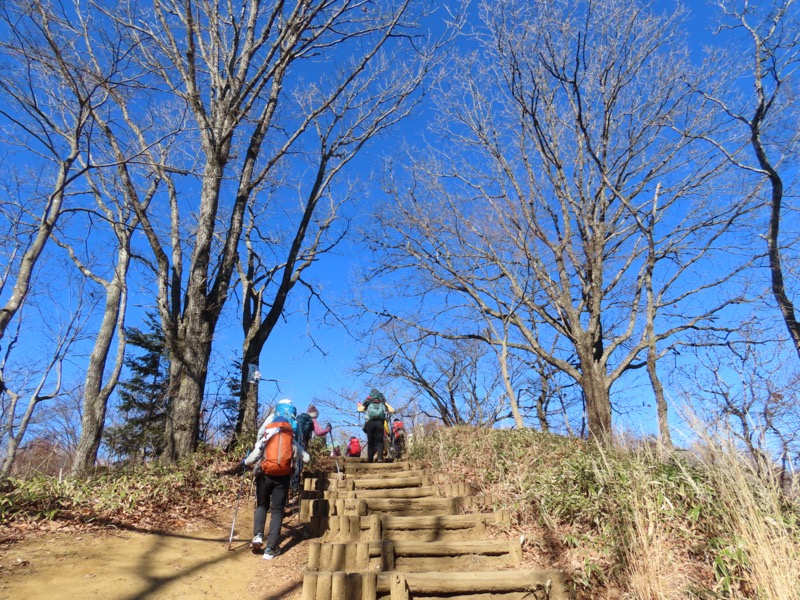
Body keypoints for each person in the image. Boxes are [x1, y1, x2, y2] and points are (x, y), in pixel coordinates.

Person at [243, 399, 307, 560]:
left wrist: (245, 461)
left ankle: (258, 535)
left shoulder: (266, 437)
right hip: (283, 478)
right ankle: (270, 549)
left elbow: (251, 460)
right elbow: (306, 458)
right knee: (277, 511)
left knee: (262, 505)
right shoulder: (290, 439)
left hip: (264, 476)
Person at [293, 404, 332, 489]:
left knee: (293, 463)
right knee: (298, 464)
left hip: (292, 442)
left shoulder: (298, 418)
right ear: (315, 415)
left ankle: (291, 485)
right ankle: (295, 486)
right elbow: (319, 432)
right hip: (301, 444)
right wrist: (328, 429)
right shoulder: (311, 420)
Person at [357, 388, 394, 463]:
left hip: (370, 423)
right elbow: (392, 410)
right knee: (379, 441)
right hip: (380, 423)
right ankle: (380, 458)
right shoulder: (382, 402)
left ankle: (370, 459)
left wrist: (359, 405)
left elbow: (360, 409)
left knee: (371, 441)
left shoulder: (369, 402)